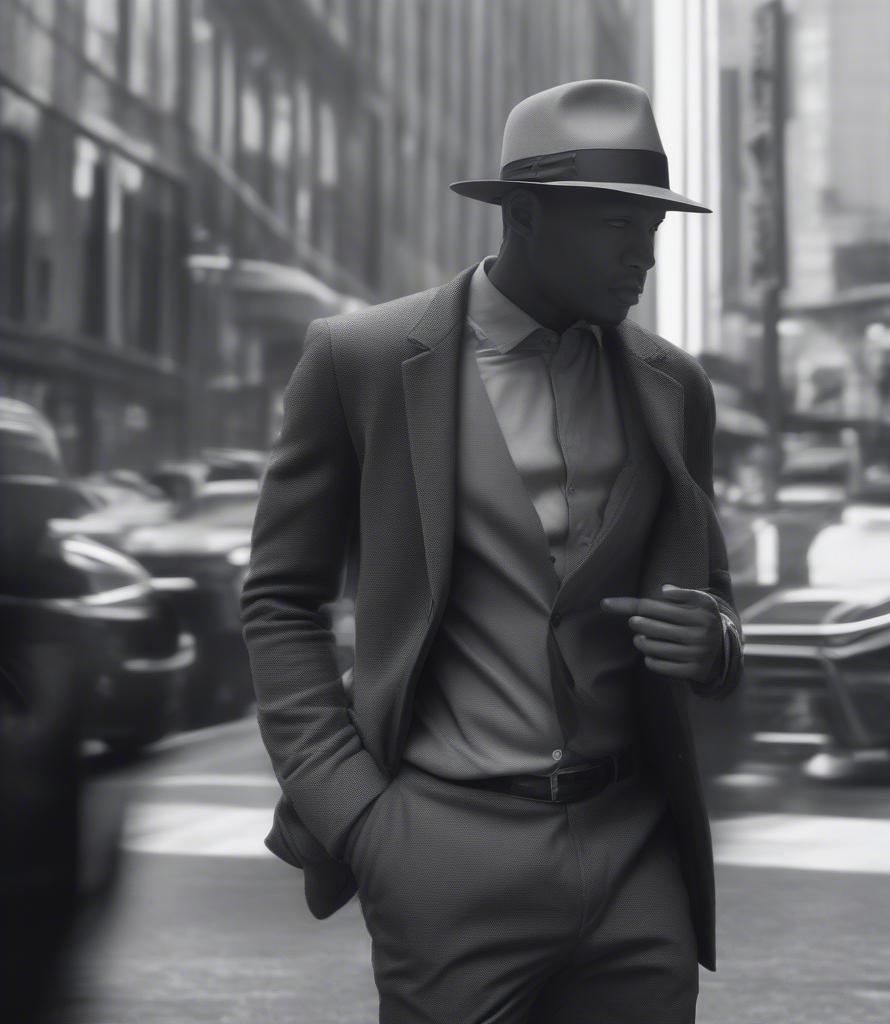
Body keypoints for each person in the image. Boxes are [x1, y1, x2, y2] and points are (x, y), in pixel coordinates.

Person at [240, 78, 743, 1024]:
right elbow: (278, 599)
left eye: (656, 225)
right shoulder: (364, 360)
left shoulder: (674, 383)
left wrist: (715, 639)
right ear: (522, 215)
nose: (645, 252)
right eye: (615, 223)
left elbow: (709, 587)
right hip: (445, 849)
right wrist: (359, 815)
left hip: (638, 847)